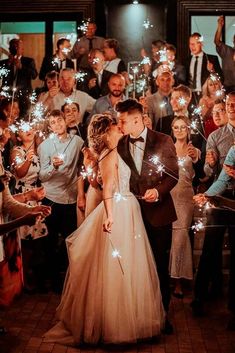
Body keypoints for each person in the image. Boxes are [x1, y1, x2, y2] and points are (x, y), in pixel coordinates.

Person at [44, 114, 165, 345]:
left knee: (131, 265)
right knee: (113, 269)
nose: (120, 129)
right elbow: (108, 187)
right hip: (118, 210)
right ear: (106, 134)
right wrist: (110, 216)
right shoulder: (109, 155)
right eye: (114, 127)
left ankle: (134, 321)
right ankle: (112, 325)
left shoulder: (118, 151)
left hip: (129, 207)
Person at [116, 99, 179, 333]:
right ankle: (140, 314)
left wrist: (158, 191)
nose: (119, 124)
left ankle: (162, 315)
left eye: (123, 120)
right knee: (137, 266)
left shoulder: (163, 140)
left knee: (159, 266)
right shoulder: (120, 144)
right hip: (131, 214)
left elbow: (173, 175)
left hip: (159, 215)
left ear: (137, 119)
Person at [191, 92, 235, 322]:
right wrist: (209, 165)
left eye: (234, 105)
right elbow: (209, 174)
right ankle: (199, 298)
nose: (231, 108)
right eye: (229, 105)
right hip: (219, 201)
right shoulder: (215, 136)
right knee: (209, 249)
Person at [38, 110, 85, 292]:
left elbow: (82, 168)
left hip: (71, 197)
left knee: (69, 240)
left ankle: (67, 280)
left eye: (60, 121)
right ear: (49, 127)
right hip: (51, 197)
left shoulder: (77, 142)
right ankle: (51, 278)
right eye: (53, 122)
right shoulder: (45, 146)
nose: (57, 124)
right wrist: (53, 167)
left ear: (65, 122)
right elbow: (42, 176)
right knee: (49, 241)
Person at [193, 145, 235, 330]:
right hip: (225, 203)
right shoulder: (234, 150)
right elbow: (223, 180)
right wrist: (207, 194)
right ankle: (199, 298)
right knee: (209, 250)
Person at [169, 116, 199, 298]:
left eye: (183, 127)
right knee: (175, 238)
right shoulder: (167, 149)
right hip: (170, 197)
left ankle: (179, 279)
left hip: (186, 197)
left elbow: (202, 174)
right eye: (176, 128)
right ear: (172, 130)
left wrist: (197, 159)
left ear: (188, 129)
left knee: (181, 237)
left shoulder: (193, 150)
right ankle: (180, 277)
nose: (179, 130)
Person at [187, 32, 223, 105]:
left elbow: (221, 78)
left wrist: (212, 71)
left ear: (201, 44)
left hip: (206, 96)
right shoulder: (186, 60)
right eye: (191, 44)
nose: (192, 46)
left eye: (195, 43)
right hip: (190, 96)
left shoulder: (211, 59)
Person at [214, 16, 235, 93]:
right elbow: (217, 42)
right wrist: (219, 26)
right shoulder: (227, 51)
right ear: (233, 40)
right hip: (228, 88)